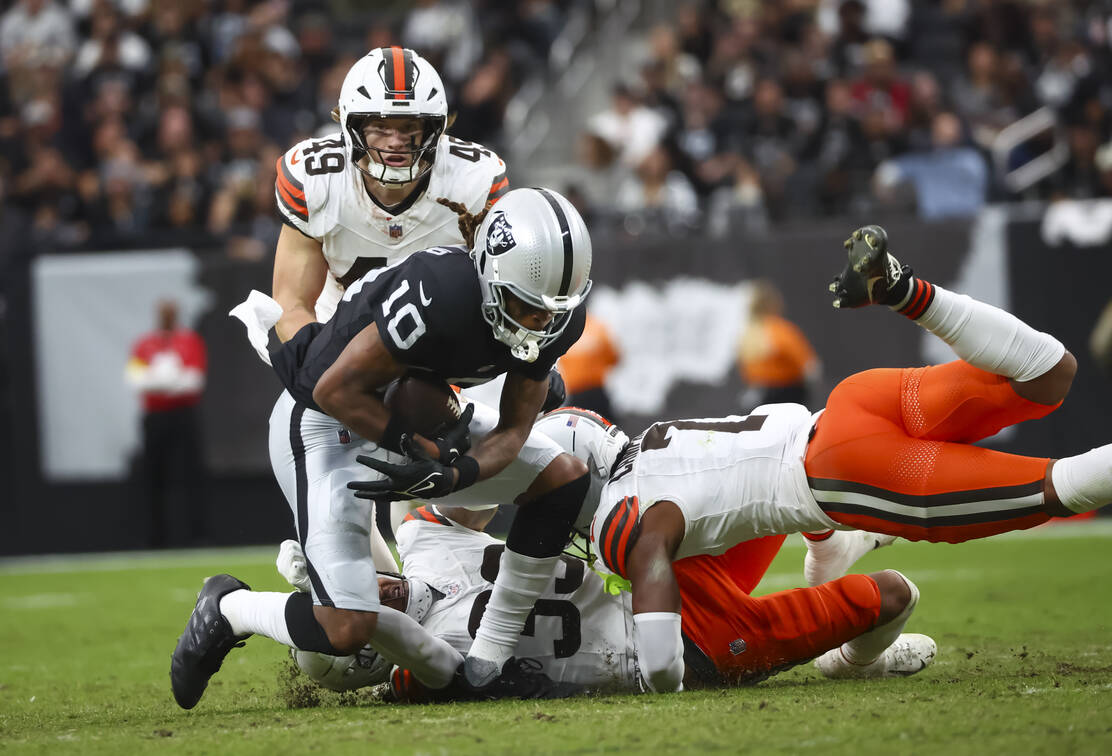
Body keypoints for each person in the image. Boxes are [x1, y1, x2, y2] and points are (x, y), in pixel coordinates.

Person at [588, 224, 1112, 692]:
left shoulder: (630, 523)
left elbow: (655, 615)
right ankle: (907, 291)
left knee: (1059, 487)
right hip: (844, 406)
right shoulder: (652, 445)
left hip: (843, 467)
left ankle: (848, 641)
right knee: (1050, 372)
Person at [172, 188, 594, 709]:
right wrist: (416, 448)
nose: (536, 323)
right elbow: (334, 389)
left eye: (549, 313)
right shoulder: (440, 291)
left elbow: (513, 431)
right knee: (346, 629)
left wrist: (456, 475)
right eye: (524, 306)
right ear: (487, 270)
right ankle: (231, 607)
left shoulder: (555, 315)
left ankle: (487, 665)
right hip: (328, 421)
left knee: (563, 480)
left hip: (425, 421)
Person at [281, 407, 935, 698]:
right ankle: (848, 665)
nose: (367, 593)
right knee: (894, 595)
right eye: (355, 611)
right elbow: (409, 668)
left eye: (352, 589)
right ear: (373, 645)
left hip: (653, 582)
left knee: (774, 483)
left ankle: (832, 549)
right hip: (691, 649)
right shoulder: (428, 670)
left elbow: (487, 489)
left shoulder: (422, 540)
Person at [258, 46, 510, 568]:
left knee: (481, 487)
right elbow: (290, 299)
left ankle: (424, 572)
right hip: (344, 340)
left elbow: (500, 285)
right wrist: (315, 365)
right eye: (379, 126)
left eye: (411, 127)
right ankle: (341, 561)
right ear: (351, 126)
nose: (395, 142)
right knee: (346, 530)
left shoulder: (472, 182)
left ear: (437, 129)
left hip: (443, 353)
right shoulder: (318, 178)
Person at [125, 300, 207, 549]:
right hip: (155, 418)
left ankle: (196, 536)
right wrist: (170, 379)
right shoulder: (144, 344)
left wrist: (157, 379)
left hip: (183, 416)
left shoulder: (189, 341)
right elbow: (135, 380)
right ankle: (155, 538)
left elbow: (193, 382)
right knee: (153, 477)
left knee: (189, 474)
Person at [736, 279, 820, 408]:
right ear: (773, 303)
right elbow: (809, 366)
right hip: (788, 396)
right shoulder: (781, 331)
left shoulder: (747, 334)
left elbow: (746, 372)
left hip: (758, 396)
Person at [556, 315, 620, 422]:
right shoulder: (598, 327)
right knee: (607, 429)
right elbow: (614, 358)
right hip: (596, 391)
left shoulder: (564, 330)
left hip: (576, 393)